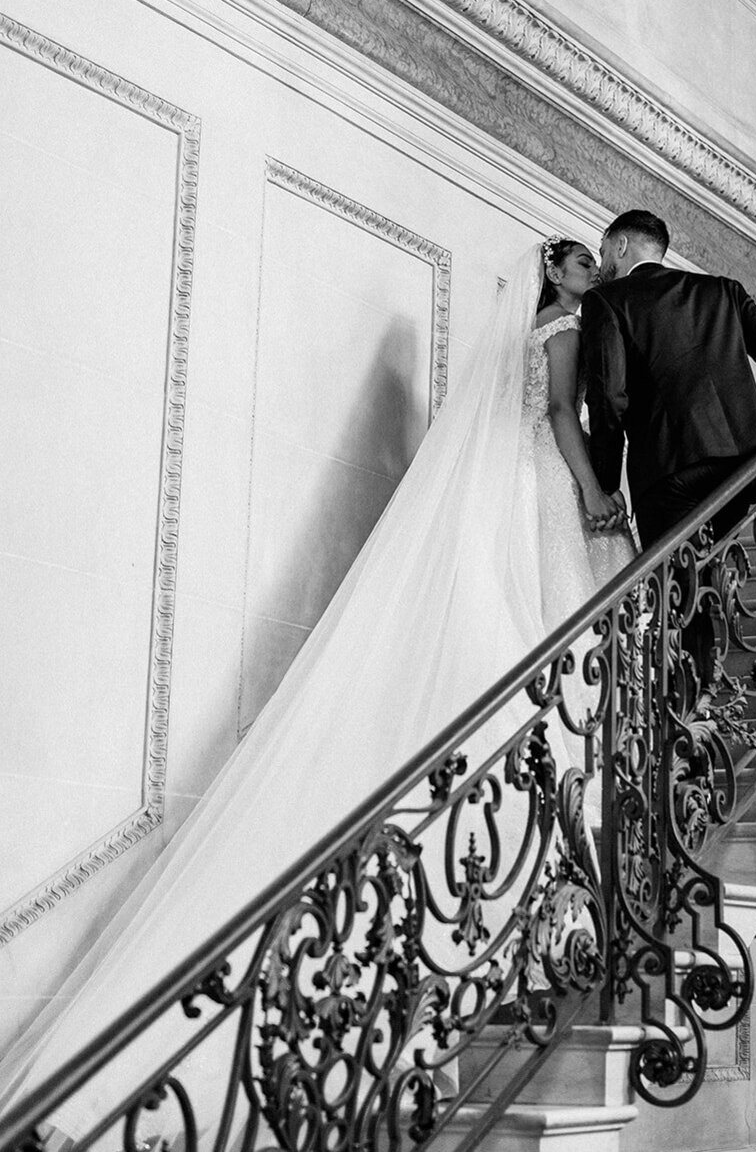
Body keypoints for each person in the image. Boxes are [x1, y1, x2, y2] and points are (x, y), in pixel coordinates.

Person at [0, 238, 634, 1134]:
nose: (590, 279)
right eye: (582, 266)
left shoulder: (519, 339)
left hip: (508, 484)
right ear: (560, 275)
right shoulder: (563, 329)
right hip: (538, 486)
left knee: (530, 675)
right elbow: (563, 420)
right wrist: (597, 495)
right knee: (545, 664)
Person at [582, 209, 756, 553]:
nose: (600, 266)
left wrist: (606, 480)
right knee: (711, 576)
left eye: (601, 253)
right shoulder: (721, 290)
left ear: (620, 244)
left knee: (677, 588)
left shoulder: (606, 300)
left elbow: (609, 397)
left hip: (668, 470)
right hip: (743, 467)